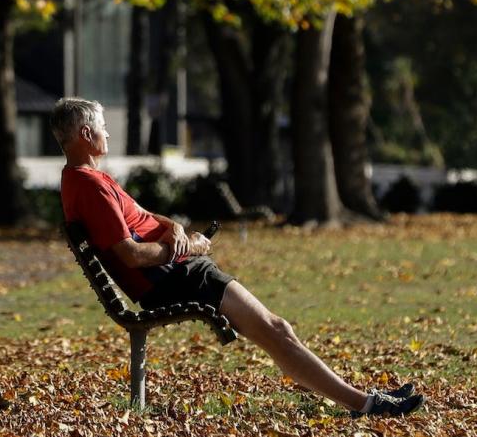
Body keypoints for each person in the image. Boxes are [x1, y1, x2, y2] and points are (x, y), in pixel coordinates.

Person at [51, 97, 424, 418]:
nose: (108, 134)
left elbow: (141, 214)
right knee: (276, 329)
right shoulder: (91, 186)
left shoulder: (85, 179)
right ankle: (367, 405)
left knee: (276, 330)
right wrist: (188, 247)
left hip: (177, 270)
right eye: (102, 127)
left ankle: (364, 401)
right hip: (174, 277)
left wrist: (174, 228)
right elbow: (131, 255)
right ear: (86, 134)